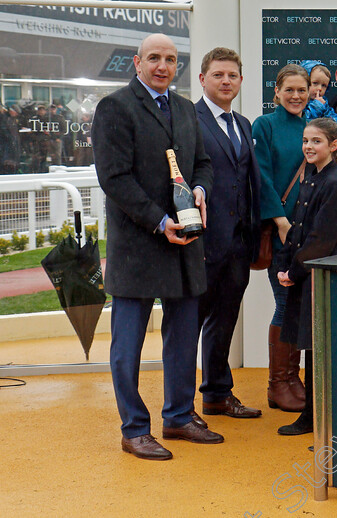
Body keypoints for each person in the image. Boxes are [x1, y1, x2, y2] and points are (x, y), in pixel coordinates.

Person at [91, 33, 220, 461]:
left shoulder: (183, 108)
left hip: (184, 244)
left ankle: (179, 417)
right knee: (127, 347)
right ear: (137, 62)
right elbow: (115, 179)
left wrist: (200, 188)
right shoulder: (115, 108)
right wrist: (160, 221)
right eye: (154, 59)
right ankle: (134, 430)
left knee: (183, 338)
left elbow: (201, 163)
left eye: (170, 59)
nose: (163, 66)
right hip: (139, 245)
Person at [194, 47, 262, 419]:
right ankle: (178, 408)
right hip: (201, 243)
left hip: (238, 243)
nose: (225, 81)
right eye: (218, 75)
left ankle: (217, 395)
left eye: (232, 75)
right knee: (190, 325)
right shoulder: (188, 120)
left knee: (224, 322)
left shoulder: (244, 124)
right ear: (203, 79)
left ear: (240, 81)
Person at [276, 118, 337, 436]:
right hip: (310, 274)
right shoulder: (312, 176)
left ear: (333, 146)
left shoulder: (334, 183)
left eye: (316, 141)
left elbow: (321, 237)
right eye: (306, 140)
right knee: (311, 347)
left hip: (322, 275)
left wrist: (293, 271)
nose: (308, 146)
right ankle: (313, 415)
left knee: (320, 349)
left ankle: (321, 419)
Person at [252, 64, 308, 413]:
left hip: (307, 233)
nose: (296, 96)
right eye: (289, 90)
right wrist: (281, 221)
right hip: (280, 232)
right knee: (286, 304)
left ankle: (292, 378)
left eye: (302, 90)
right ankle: (278, 383)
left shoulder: (311, 128)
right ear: (276, 92)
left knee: (300, 307)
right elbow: (261, 178)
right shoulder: (265, 125)